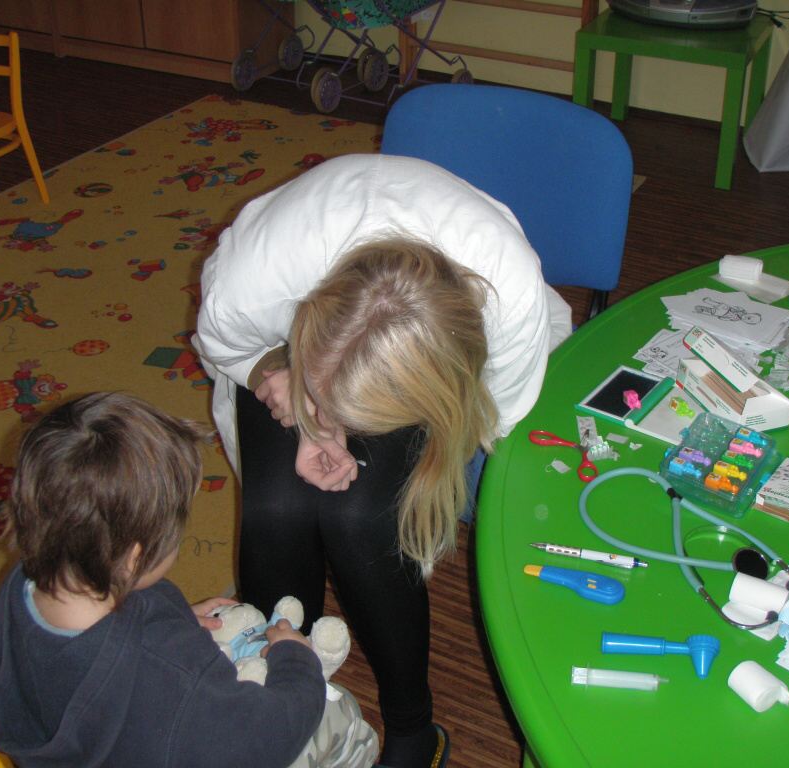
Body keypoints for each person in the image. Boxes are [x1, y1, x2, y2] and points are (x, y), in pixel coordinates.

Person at [195, 153, 572, 768]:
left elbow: (490, 425)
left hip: (439, 344)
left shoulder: (510, 308)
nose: (334, 426)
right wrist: (280, 380)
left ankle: (411, 725)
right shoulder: (253, 281)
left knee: (361, 516)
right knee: (277, 508)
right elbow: (222, 343)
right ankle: (278, 711)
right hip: (280, 337)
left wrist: (339, 419)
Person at [0, 391, 378, 768]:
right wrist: (296, 660)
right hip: (206, 740)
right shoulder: (172, 683)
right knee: (338, 710)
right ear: (135, 557)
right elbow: (267, 738)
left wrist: (168, 619)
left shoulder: (27, 582)